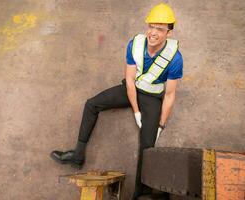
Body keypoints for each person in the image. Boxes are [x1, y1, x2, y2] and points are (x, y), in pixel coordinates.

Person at [50, 3, 183, 199]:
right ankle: (78, 154)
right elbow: (129, 79)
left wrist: (160, 126)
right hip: (131, 89)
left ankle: (141, 192)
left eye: (160, 29)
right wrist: (136, 111)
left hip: (152, 97)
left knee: (147, 144)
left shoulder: (175, 59)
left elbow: (170, 95)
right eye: (151, 26)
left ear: (168, 33)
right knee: (91, 104)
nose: (153, 33)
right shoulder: (135, 43)